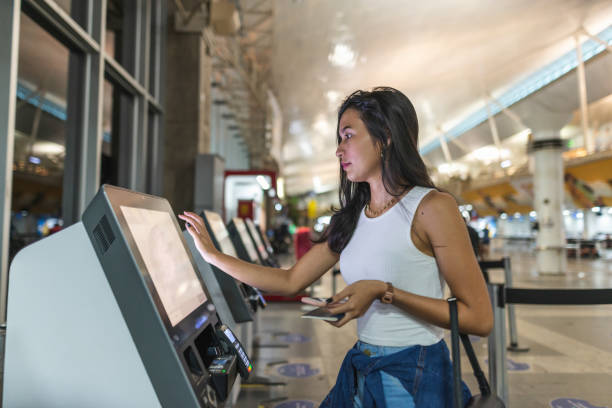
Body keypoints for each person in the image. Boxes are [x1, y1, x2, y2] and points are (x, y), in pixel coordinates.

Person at [180, 87, 493, 407]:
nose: (338, 150)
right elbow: (289, 280)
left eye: (348, 136)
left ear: (384, 137)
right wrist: (213, 256)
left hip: (414, 375)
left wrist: (385, 292)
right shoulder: (352, 218)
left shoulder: (432, 207)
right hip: (363, 367)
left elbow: (479, 318)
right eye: (339, 139)